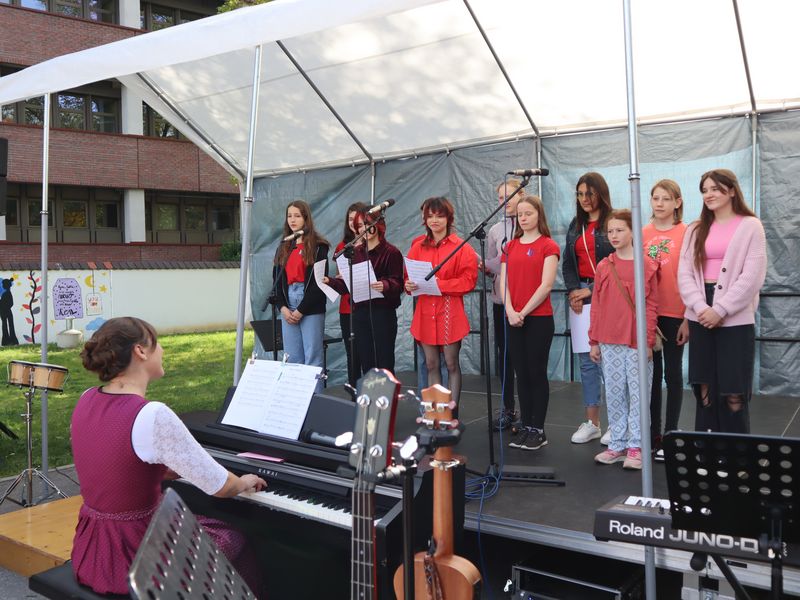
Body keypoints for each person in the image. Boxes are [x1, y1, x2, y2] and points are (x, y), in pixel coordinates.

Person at [71, 317, 267, 596]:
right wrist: (244, 481)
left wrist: (164, 470)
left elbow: (114, 462)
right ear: (140, 351)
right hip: (139, 555)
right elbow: (222, 486)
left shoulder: (86, 398)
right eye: (158, 343)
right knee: (232, 539)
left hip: (93, 550)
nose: (162, 350)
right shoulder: (151, 414)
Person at [677, 169, 766, 433]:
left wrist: (721, 309)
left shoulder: (750, 225)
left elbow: (752, 276)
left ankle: (736, 451)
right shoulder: (695, 229)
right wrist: (700, 307)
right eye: (705, 190)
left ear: (732, 190)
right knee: (703, 388)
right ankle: (707, 448)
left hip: (735, 315)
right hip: (700, 312)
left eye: (715, 188)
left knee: (733, 392)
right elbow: (684, 273)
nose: (709, 194)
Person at [589, 210, 659, 470]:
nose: (614, 235)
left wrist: (647, 341)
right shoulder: (604, 266)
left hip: (636, 341)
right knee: (615, 393)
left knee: (639, 395)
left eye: (619, 230)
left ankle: (637, 446)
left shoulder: (646, 265)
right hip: (609, 339)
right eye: (610, 231)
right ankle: (617, 444)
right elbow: (597, 304)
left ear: (632, 231)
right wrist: (594, 340)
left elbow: (651, 306)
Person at [405, 197, 478, 411]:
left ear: (449, 218)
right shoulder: (417, 246)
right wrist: (408, 284)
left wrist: (440, 284)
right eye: (430, 216)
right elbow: (407, 278)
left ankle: (451, 413)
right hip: (425, 312)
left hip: (449, 311)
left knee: (451, 363)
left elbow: (469, 281)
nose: (434, 220)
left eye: (439, 216)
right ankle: (435, 413)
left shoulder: (461, 247)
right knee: (431, 364)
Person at [499, 195, 559, 450]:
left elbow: (546, 285)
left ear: (538, 215)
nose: (523, 218)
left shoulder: (548, 245)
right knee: (521, 373)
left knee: (536, 372)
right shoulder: (510, 247)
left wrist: (522, 312)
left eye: (528, 213)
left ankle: (538, 429)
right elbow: (503, 282)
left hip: (538, 319)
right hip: (513, 318)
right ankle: (525, 425)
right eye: (520, 214)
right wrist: (510, 310)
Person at [562, 172, 614, 444]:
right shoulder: (576, 225)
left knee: (609, 360)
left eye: (589, 194)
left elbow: (620, 263)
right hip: (580, 294)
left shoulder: (613, 222)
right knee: (586, 361)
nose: (584, 199)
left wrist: (590, 290)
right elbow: (568, 262)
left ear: (600, 194)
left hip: (608, 294)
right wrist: (574, 291)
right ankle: (593, 423)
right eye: (580, 194)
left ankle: (618, 423)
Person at [642, 179, 689, 460]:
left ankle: (671, 435)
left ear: (677, 202)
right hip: (650, 314)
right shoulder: (643, 233)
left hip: (676, 314)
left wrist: (688, 318)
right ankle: (653, 435)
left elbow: (694, 276)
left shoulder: (687, 232)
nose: (659, 203)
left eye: (666, 198)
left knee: (672, 374)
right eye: (655, 198)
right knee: (651, 377)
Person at [326, 208, 404, 373]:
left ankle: (386, 391)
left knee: (384, 361)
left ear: (378, 224)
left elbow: (399, 283)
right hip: (360, 313)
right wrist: (330, 281)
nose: (364, 229)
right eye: (360, 226)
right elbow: (349, 286)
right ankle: (367, 391)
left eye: (367, 224)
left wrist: (385, 285)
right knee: (366, 361)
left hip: (382, 313)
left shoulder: (391, 252)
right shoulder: (355, 252)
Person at [273, 200, 330, 391]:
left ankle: (315, 401)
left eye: (297, 216)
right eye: (289, 216)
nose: (292, 220)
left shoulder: (319, 246)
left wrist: (301, 310)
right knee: (292, 358)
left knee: (312, 357)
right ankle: (295, 401)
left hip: (310, 303)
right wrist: (282, 308)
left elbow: (318, 283)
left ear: (306, 218)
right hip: (287, 302)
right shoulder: (284, 246)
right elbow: (276, 282)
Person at [484, 178, 521, 431]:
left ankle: (531, 416)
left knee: (525, 358)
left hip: (526, 302)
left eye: (510, 196)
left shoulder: (530, 224)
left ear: (522, 196)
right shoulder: (495, 230)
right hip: (501, 301)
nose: (504, 201)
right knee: (504, 355)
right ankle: (508, 409)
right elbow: (492, 263)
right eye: (500, 198)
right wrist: (485, 266)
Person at [335, 201, 368, 386]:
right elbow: (339, 277)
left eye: (358, 219)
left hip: (368, 306)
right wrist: (338, 279)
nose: (353, 223)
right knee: (352, 353)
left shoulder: (372, 243)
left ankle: (370, 394)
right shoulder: (342, 246)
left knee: (368, 352)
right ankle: (354, 392)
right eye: (350, 219)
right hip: (347, 307)